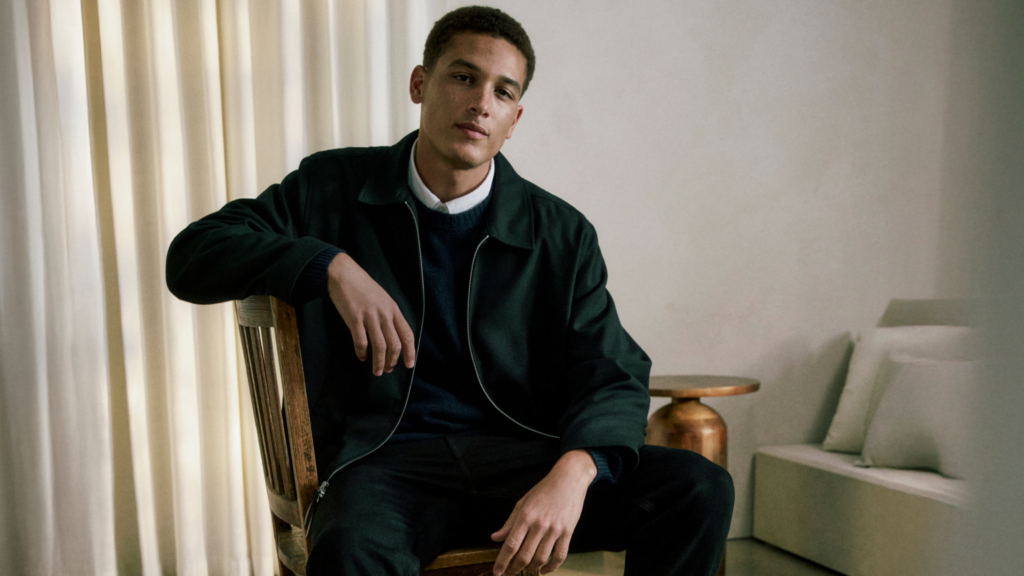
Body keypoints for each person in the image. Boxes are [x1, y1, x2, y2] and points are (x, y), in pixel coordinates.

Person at [166, 6, 733, 575]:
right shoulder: (329, 189)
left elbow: (612, 369)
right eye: (464, 77)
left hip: (523, 460)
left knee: (698, 488)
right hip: (382, 467)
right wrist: (331, 266)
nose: (481, 103)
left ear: (514, 119)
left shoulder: (561, 234)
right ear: (420, 84)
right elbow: (192, 254)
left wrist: (573, 471)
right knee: (351, 549)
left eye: (503, 92)